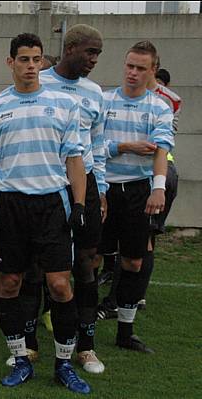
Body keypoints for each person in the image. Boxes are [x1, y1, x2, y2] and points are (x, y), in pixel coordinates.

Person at [0, 33, 90, 394]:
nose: (30, 66)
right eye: (23, 59)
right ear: (11, 62)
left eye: (36, 59)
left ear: (42, 61)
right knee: (10, 283)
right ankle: (21, 359)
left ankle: (64, 365)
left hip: (52, 204)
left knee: (59, 284)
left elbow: (75, 158)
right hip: (11, 205)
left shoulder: (64, 105)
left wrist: (80, 204)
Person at [37, 24, 106, 374]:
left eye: (98, 54)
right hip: (47, 184)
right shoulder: (38, 83)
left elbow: (98, 144)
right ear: (70, 48)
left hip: (86, 184)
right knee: (39, 264)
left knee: (86, 262)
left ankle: (87, 346)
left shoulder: (95, 93)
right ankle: (28, 345)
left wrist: (102, 189)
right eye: (89, 52)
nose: (94, 59)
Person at [97, 41, 174, 353]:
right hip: (103, 188)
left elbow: (161, 149)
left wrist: (159, 187)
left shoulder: (159, 107)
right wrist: (124, 146)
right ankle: (83, 325)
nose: (133, 72)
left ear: (152, 71)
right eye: (129, 65)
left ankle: (125, 331)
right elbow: (90, 148)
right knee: (91, 258)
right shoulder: (103, 101)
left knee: (133, 261)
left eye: (141, 68)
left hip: (139, 190)